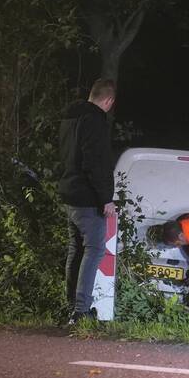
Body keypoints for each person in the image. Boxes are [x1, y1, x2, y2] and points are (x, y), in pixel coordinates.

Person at [58, 78, 117, 325]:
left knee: (77, 250)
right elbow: (96, 163)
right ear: (109, 101)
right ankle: (81, 311)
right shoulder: (95, 122)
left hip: (69, 194)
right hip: (87, 198)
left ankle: (71, 305)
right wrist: (106, 198)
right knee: (94, 250)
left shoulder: (69, 120)